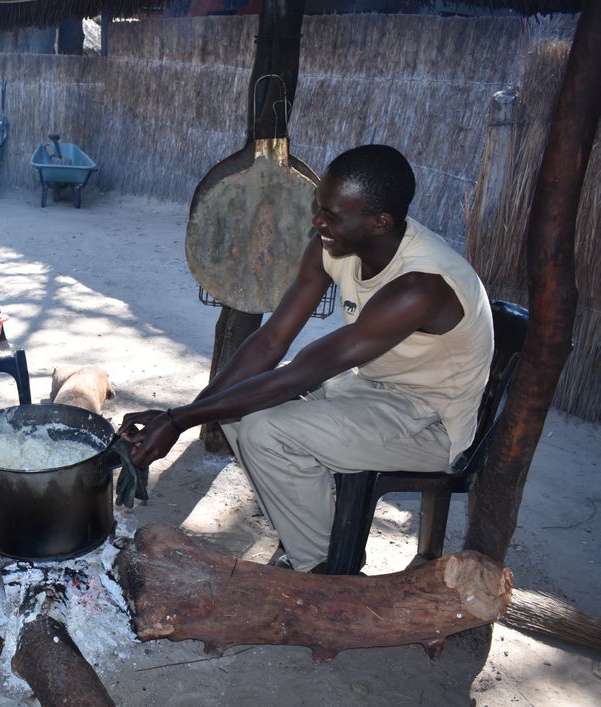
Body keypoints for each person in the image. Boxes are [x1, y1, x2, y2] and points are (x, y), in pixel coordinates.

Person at [119, 144, 494, 573]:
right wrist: (179, 414)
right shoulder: (330, 245)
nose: (318, 222)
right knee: (241, 412)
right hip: (371, 389)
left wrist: (178, 421)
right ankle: (313, 543)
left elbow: (303, 373)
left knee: (266, 431)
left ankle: (327, 572)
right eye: (320, 208)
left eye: (332, 215)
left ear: (380, 223)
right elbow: (272, 339)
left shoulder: (420, 286)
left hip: (431, 424)